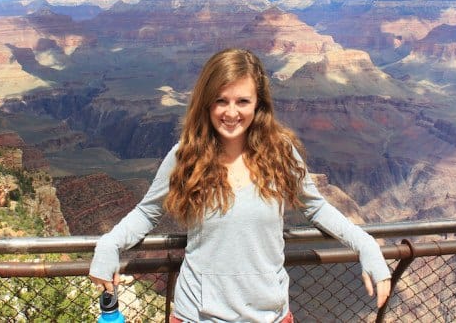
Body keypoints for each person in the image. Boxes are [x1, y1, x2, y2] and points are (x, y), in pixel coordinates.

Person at [89, 48, 391, 322]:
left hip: (269, 316)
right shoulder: (187, 154)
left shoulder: (280, 153)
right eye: (221, 100)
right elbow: (147, 213)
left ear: (258, 103)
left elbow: (317, 208)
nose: (231, 113)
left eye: (242, 101)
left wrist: (366, 245)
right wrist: (109, 244)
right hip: (197, 316)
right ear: (206, 103)